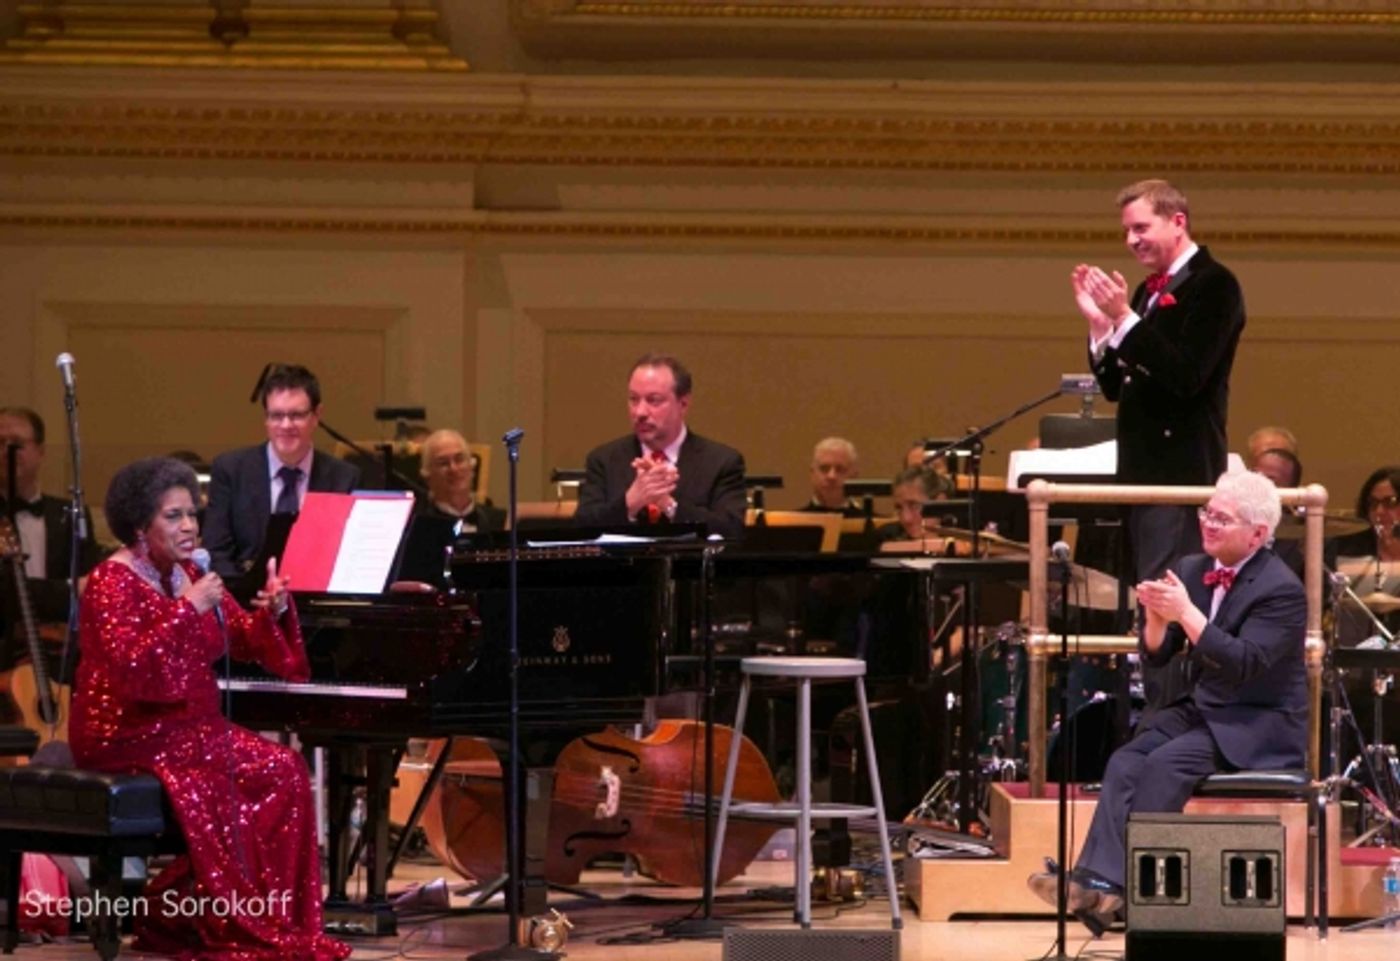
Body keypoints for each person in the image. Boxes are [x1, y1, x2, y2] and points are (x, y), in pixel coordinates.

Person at [69, 457, 349, 961]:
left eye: (191, 515)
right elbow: (131, 670)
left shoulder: (190, 571)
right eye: (173, 516)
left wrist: (273, 610)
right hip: (126, 731)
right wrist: (186, 610)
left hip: (187, 726)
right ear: (140, 526)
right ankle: (210, 913)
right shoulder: (111, 583)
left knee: (284, 768)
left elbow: (241, 638)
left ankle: (269, 917)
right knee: (241, 777)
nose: (189, 526)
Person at [1028, 470, 1306, 935]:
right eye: (1207, 513)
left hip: (1257, 723)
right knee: (1126, 760)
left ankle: (1130, 893)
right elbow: (1159, 655)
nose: (1209, 524)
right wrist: (1155, 620)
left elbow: (1241, 663)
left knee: (1163, 764)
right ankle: (1098, 883)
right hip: (1204, 709)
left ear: (1258, 533)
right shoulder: (1196, 567)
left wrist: (1185, 612)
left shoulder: (1282, 589)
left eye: (1222, 518)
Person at [1075, 178, 1246, 716]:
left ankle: (1170, 725)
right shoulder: (1150, 291)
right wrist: (1101, 327)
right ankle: (1153, 720)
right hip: (1141, 479)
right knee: (1146, 606)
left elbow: (1186, 376)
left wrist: (1125, 319)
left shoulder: (1215, 286)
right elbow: (1115, 386)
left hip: (1179, 477)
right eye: (1126, 230)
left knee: (1169, 602)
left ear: (1178, 221)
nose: (1131, 240)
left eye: (1141, 227)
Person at [202, 364, 360, 580]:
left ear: (317, 416)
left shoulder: (344, 477)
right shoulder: (231, 469)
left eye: (296, 415)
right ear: (265, 418)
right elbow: (216, 553)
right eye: (276, 415)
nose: (285, 425)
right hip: (247, 601)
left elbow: (350, 556)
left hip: (318, 606)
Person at [575, 352, 746, 539]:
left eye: (653, 400)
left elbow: (732, 531)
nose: (640, 412)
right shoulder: (604, 460)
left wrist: (668, 504)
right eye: (633, 399)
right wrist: (630, 502)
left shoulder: (721, 462)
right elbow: (582, 528)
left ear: (683, 404)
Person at [0, 406, 99, 637]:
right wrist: (66, 588)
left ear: (40, 451)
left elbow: (89, 589)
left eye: (16, 443)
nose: (7, 451)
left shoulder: (71, 513)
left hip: (59, 648)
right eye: (0, 442)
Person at [416, 428, 504, 532]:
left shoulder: (499, 522)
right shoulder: (416, 526)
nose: (453, 469)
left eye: (459, 459)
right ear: (427, 476)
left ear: (472, 467)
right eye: (443, 463)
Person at [799, 437, 863, 516]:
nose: (831, 476)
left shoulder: (876, 525)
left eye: (840, 469)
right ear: (812, 474)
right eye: (824, 469)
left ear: (854, 476)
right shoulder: (789, 524)